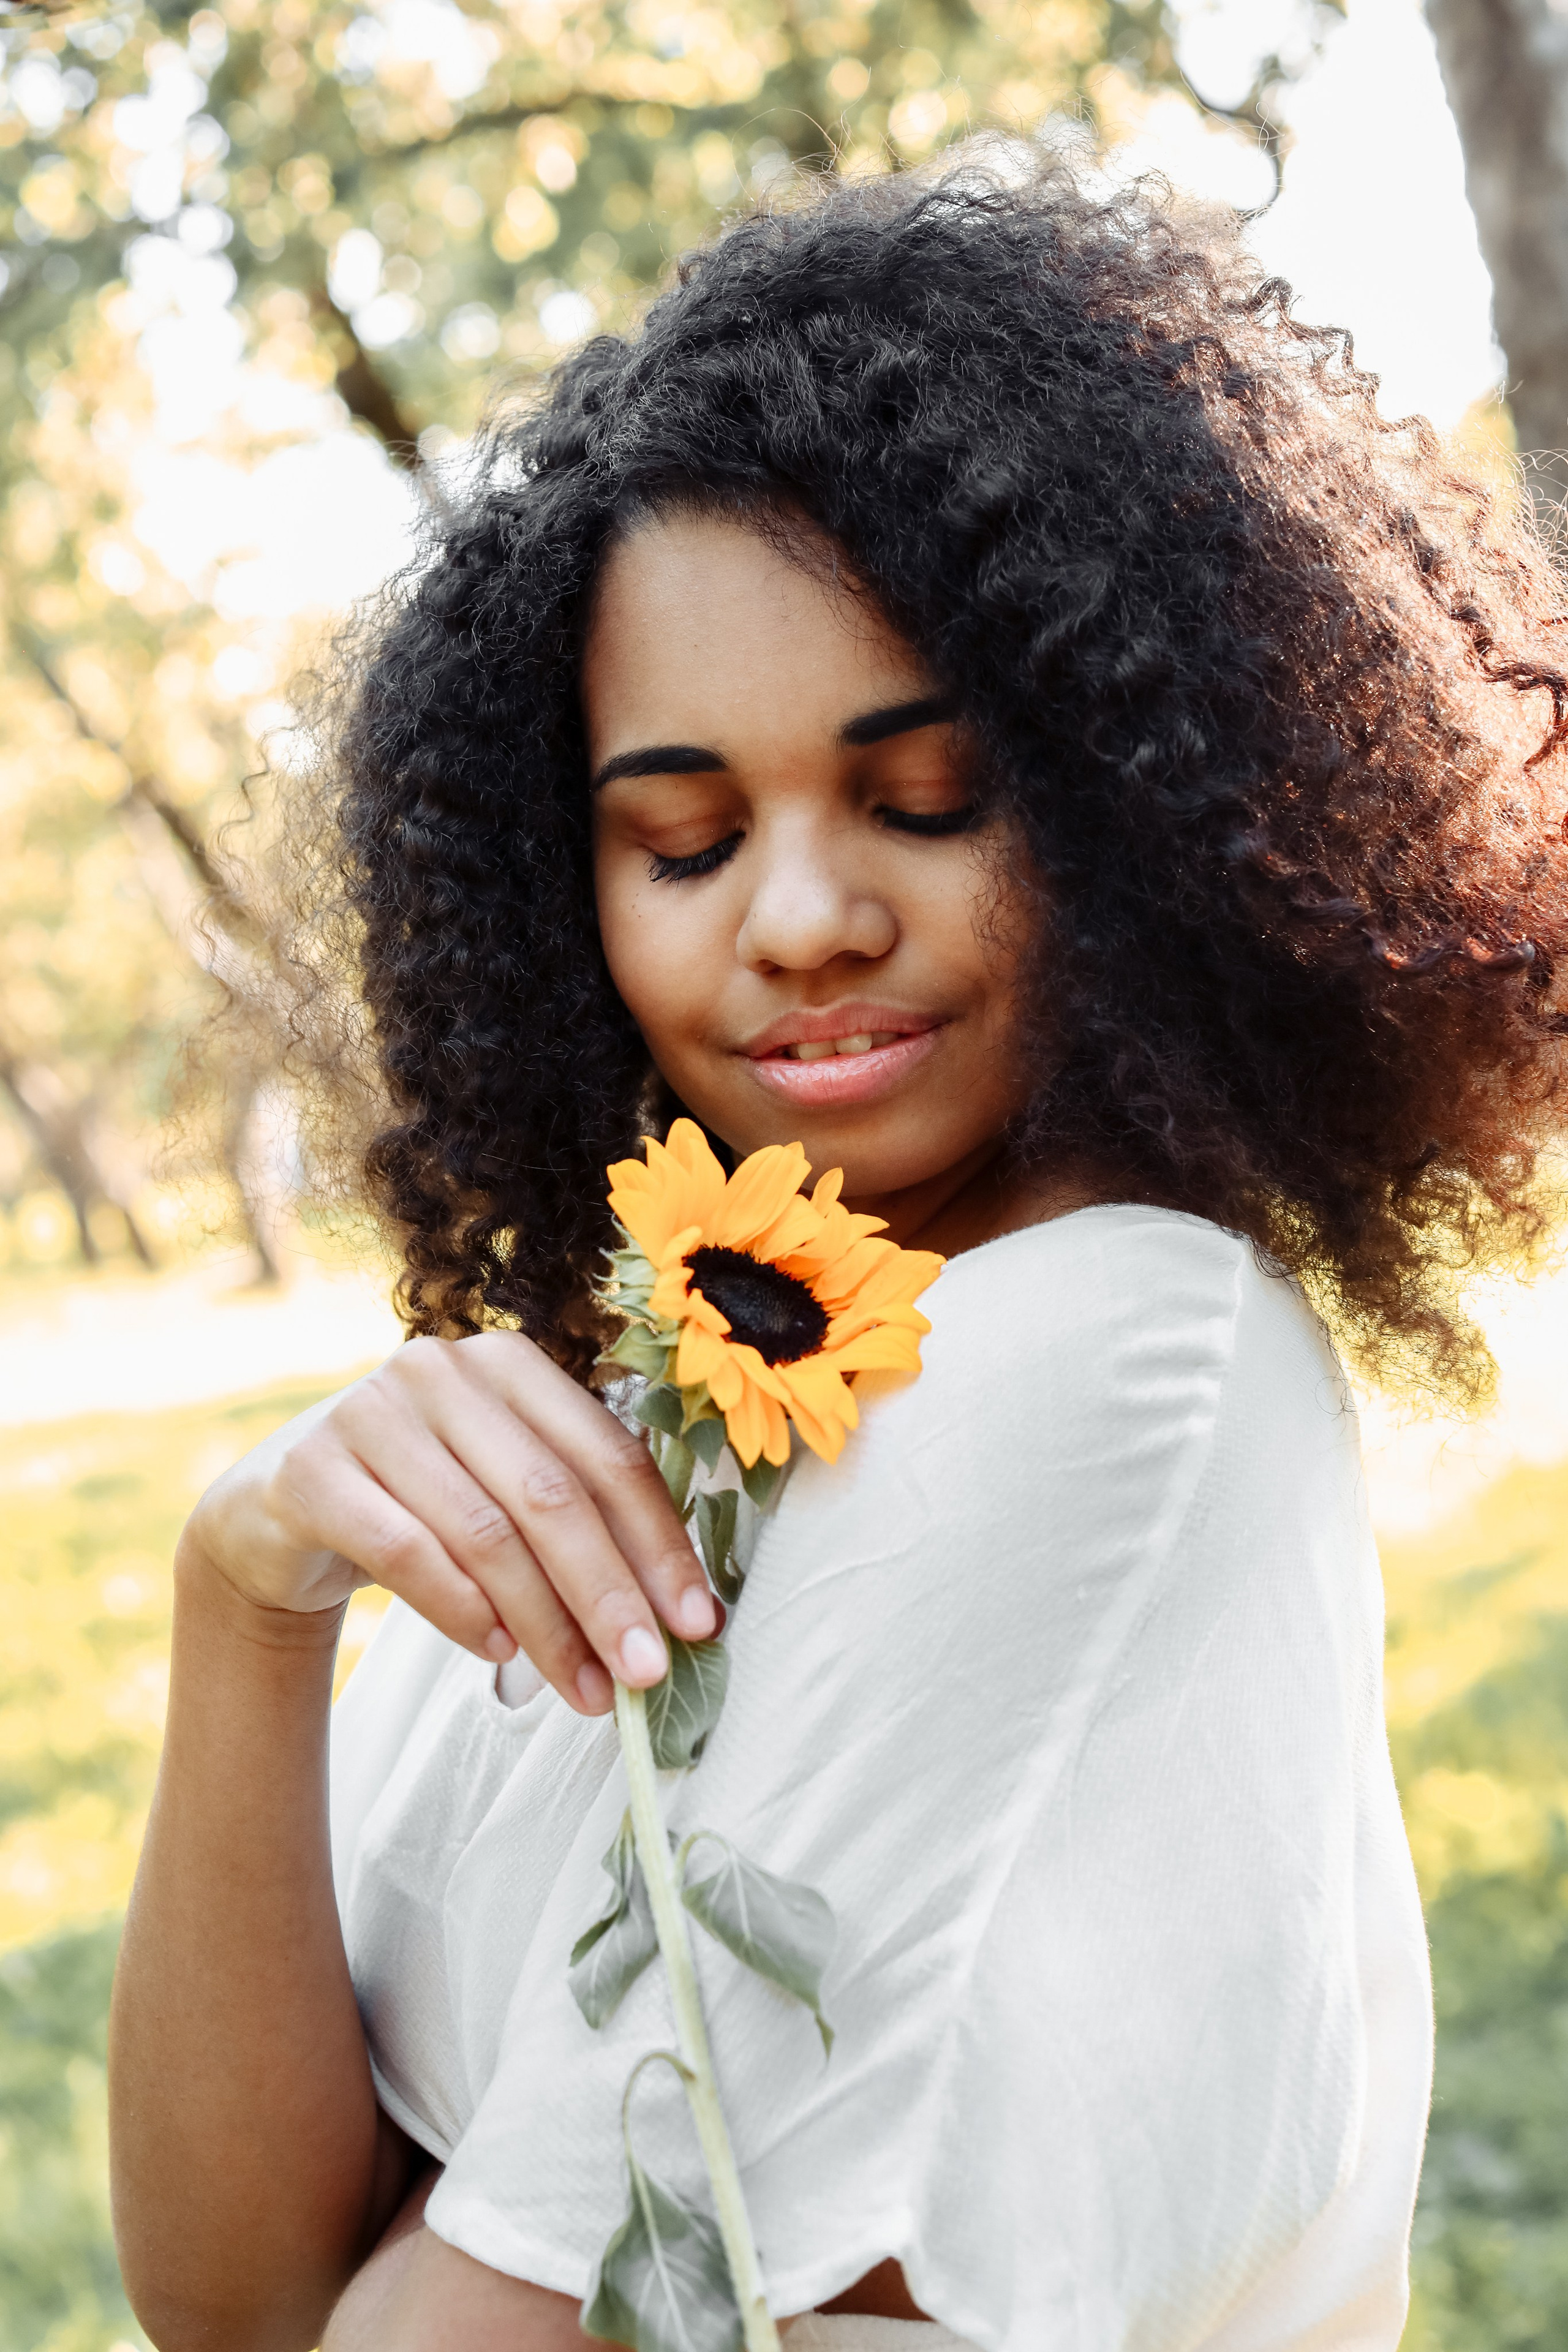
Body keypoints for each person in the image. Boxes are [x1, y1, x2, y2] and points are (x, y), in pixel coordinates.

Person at [108, 157, 1568, 2352]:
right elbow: (229, 2304)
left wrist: (408, 2247)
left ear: (1139, 804)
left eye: (927, 798)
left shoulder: (1110, 1345)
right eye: (684, 838)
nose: (799, 918)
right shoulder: (627, 1383)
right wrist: (250, 1594)